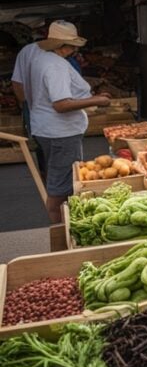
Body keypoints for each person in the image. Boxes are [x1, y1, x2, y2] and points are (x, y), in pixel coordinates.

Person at [13, 21, 111, 222]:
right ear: (63, 46)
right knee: (61, 187)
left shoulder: (40, 60)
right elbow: (61, 104)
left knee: (58, 178)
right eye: (73, 45)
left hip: (46, 128)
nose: (75, 49)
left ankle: (61, 225)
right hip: (61, 132)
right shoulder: (55, 66)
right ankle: (59, 231)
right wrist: (97, 100)